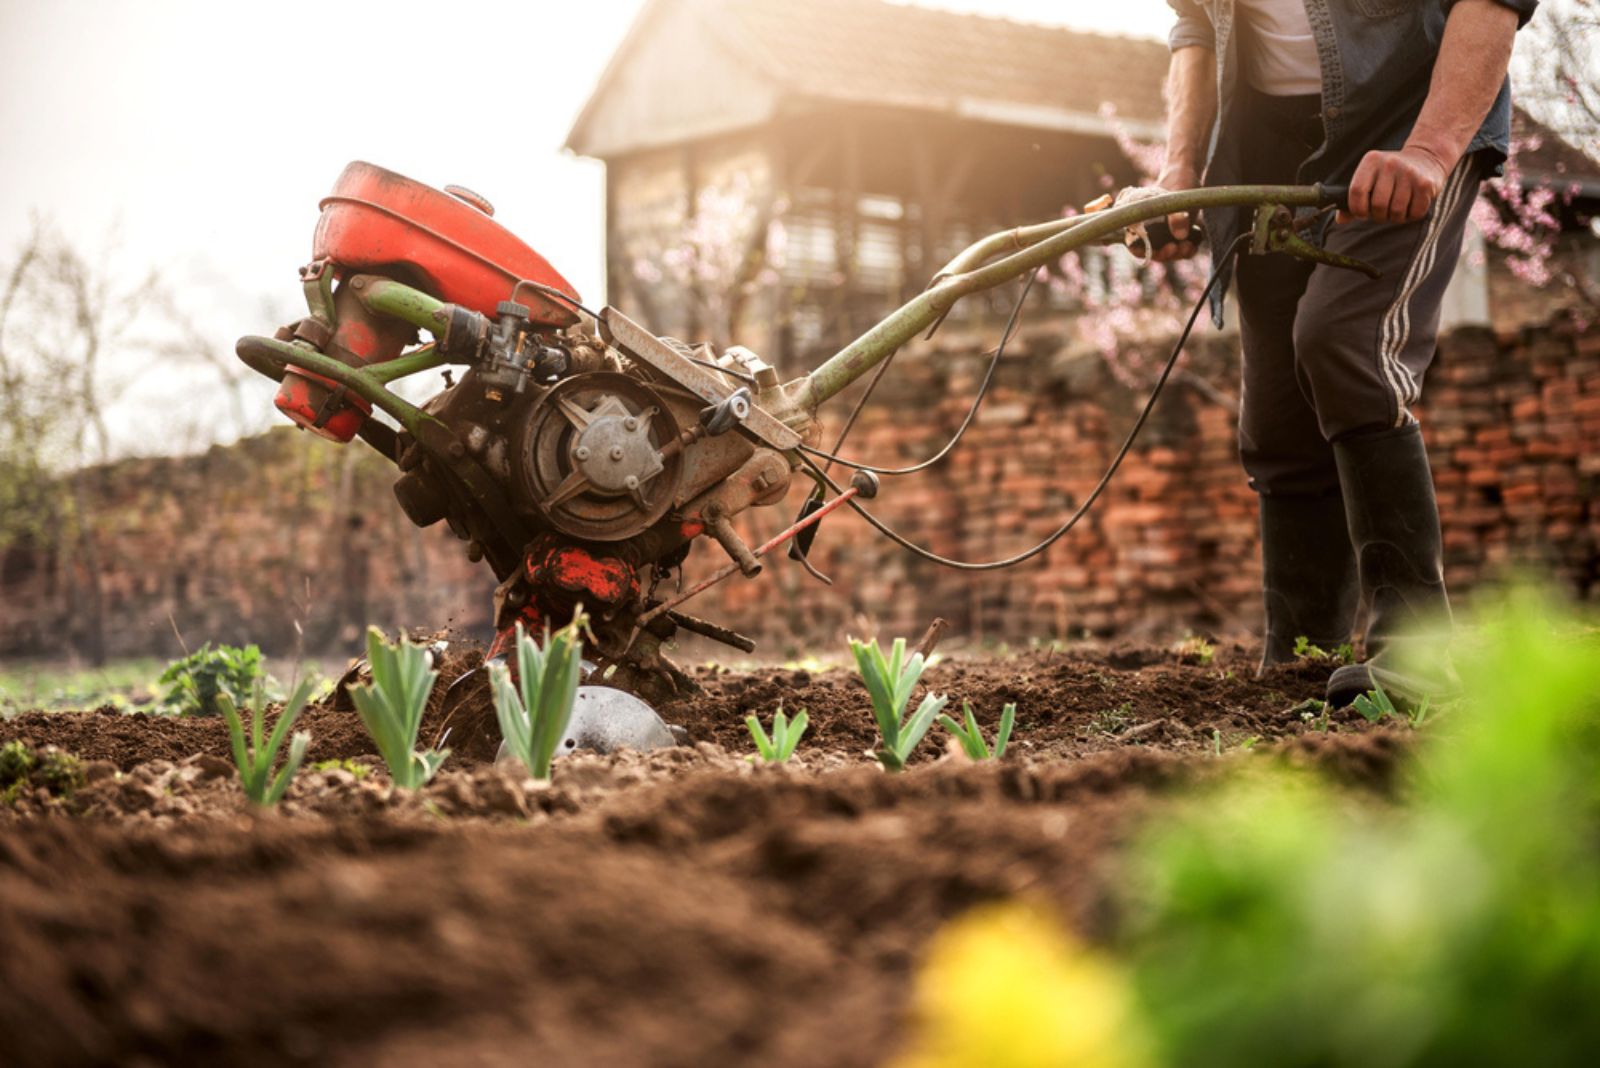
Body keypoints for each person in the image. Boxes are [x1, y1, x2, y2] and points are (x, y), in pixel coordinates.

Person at [1151, 0, 1538, 705]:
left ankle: (1418, 658)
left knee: (1345, 341)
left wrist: (1428, 152)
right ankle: (1300, 657)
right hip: (1260, 136)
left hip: (1411, 117)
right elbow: (1197, 25)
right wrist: (1179, 169)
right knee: (1276, 410)